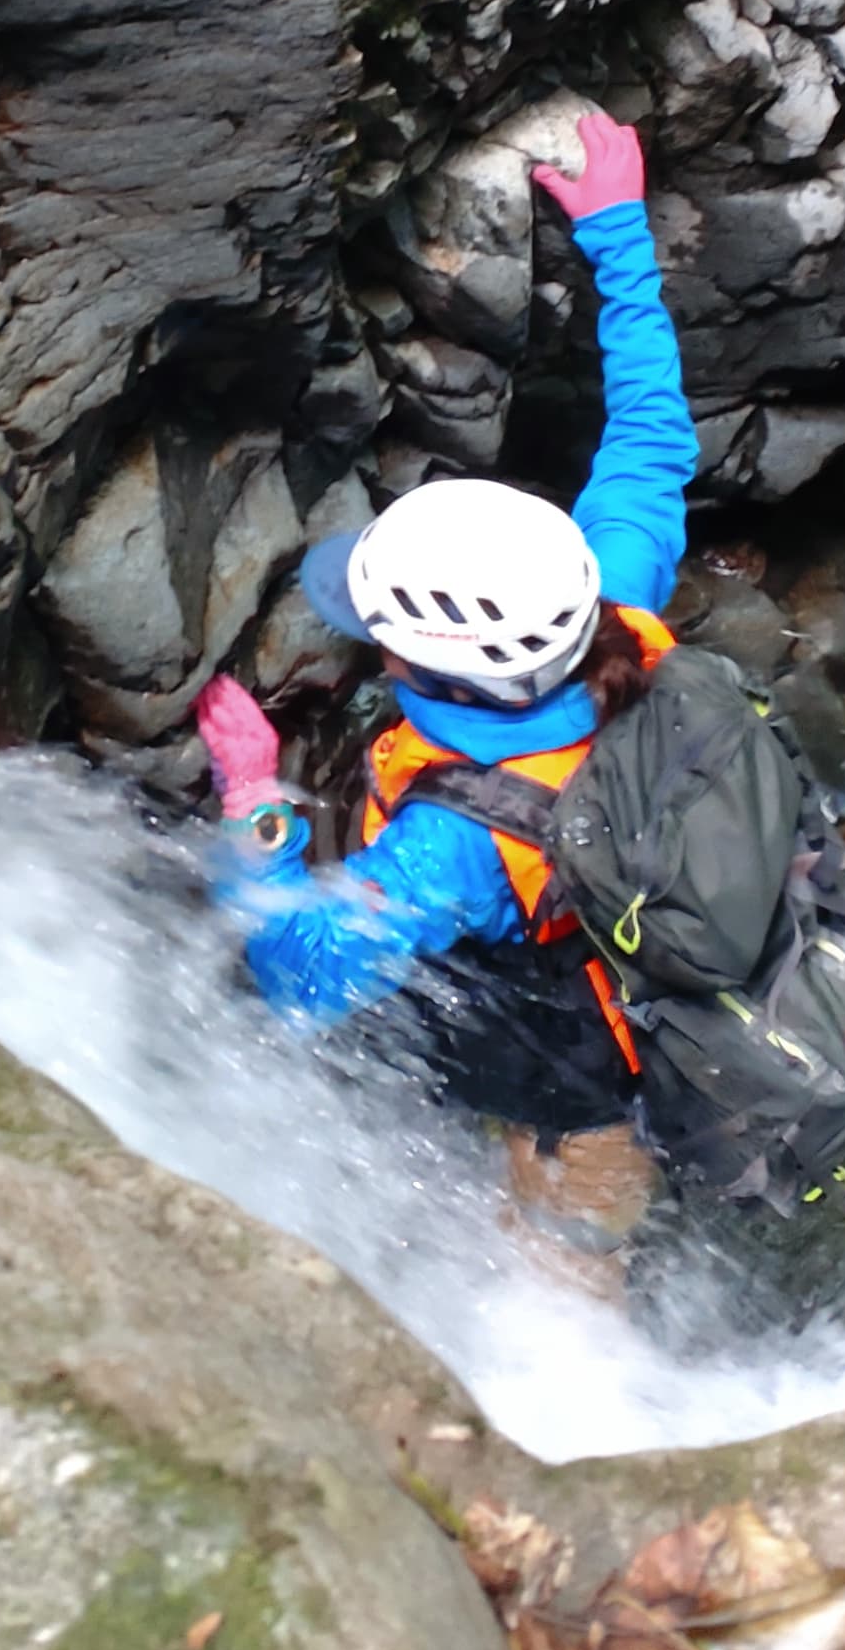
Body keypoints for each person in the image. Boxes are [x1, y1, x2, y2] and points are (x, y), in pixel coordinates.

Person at [195, 108, 698, 1264]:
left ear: (430, 667)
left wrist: (256, 804)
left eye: (381, 632)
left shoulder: (456, 846)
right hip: (637, 989)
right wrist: (617, 234)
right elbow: (652, 436)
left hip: (585, 1094)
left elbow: (298, 977)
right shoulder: (624, 607)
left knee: (565, 1257)